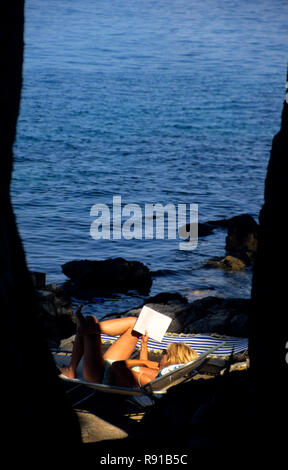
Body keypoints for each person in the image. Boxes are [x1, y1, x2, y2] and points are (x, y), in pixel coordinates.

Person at [60, 305, 198, 388]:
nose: (163, 353)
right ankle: (86, 328)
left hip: (99, 375)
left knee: (90, 320)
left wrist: (143, 361)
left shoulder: (152, 379)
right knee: (136, 325)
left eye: (165, 352)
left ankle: (72, 368)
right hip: (107, 368)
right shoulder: (159, 369)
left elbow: (118, 366)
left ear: (172, 359)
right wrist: (144, 344)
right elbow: (141, 369)